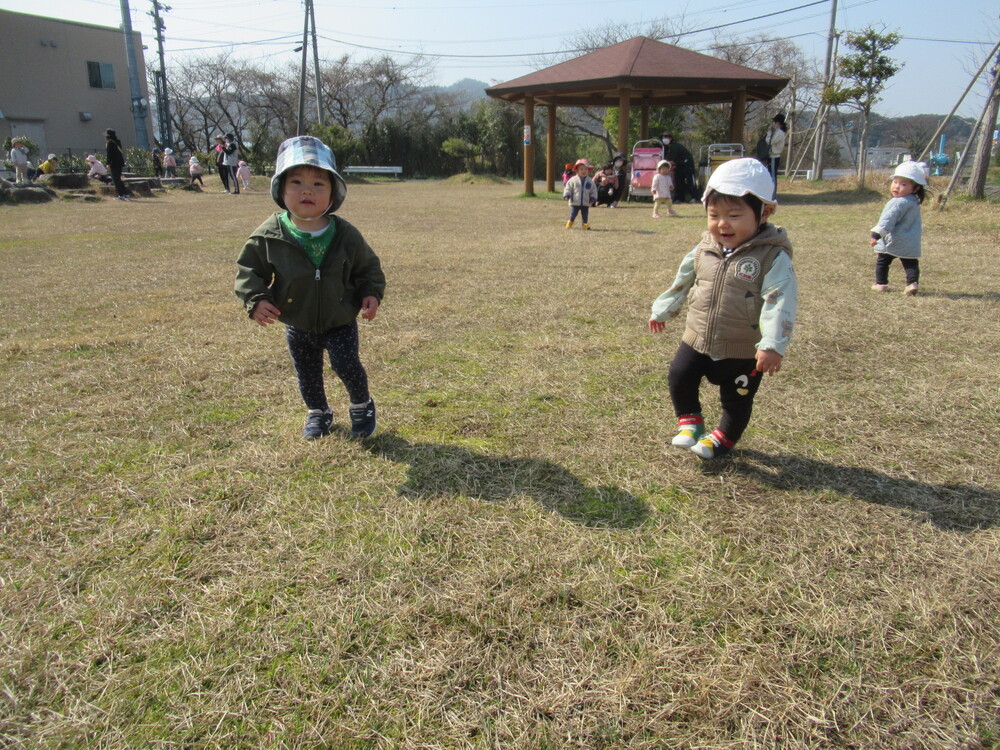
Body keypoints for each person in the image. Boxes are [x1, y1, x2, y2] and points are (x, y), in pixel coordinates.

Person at [234, 135, 386, 440]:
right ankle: (318, 412)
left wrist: (371, 292)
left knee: (347, 365)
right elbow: (249, 270)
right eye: (296, 182)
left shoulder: (345, 234)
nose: (307, 190)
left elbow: (367, 266)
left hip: (340, 319)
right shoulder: (269, 234)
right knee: (307, 373)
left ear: (333, 192)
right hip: (297, 321)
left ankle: (361, 405)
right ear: (280, 188)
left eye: (319, 184)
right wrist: (256, 299)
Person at [649, 157, 797, 459]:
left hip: (743, 348)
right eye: (713, 214)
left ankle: (724, 437)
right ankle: (690, 422)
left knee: (737, 399)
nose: (722, 223)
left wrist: (772, 344)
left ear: (764, 212)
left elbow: (779, 300)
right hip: (697, 336)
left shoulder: (771, 256)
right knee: (679, 375)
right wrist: (663, 309)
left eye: (734, 214)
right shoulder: (705, 247)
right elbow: (683, 280)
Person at [870, 160, 928, 296]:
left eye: (903, 184)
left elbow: (887, 221)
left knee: (883, 261)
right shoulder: (913, 201)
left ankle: (880, 284)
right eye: (895, 182)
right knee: (910, 262)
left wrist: (876, 235)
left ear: (915, 188)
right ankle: (912, 283)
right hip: (910, 240)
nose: (897, 187)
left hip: (893, 240)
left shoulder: (897, 203)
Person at [661, 133, 698, 203]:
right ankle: (680, 199)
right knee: (678, 180)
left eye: (666, 136)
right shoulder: (666, 148)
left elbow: (670, 160)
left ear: (671, 138)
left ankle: (695, 198)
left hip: (687, 163)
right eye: (663, 137)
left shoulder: (675, 146)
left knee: (690, 180)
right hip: (679, 164)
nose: (664, 138)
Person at [562, 158, 598, 230]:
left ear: (588, 170)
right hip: (575, 201)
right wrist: (567, 195)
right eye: (581, 169)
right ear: (577, 170)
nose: (583, 171)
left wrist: (593, 197)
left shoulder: (590, 181)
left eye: (585, 169)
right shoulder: (573, 180)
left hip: (585, 202)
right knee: (573, 213)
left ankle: (585, 224)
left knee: (585, 214)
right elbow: (568, 187)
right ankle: (570, 222)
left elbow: (593, 190)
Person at [104, 128, 130, 200]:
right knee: (119, 179)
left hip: (114, 164)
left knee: (116, 180)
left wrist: (108, 164)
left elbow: (109, 154)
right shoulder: (117, 142)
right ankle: (125, 193)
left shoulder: (110, 143)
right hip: (120, 163)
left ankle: (121, 195)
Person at [766, 114, 788, 184]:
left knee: (772, 175)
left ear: (778, 122)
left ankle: (773, 193)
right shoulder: (776, 132)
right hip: (771, 155)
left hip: (774, 156)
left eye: (775, 122)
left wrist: (769, 132)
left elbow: (770, 141)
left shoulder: (780, 133)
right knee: (770, 175)